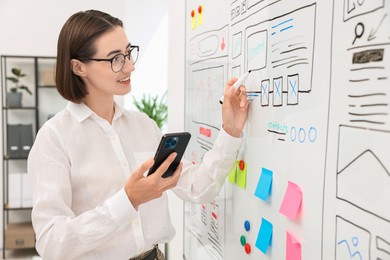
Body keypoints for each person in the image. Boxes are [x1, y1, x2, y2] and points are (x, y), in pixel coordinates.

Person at [28, 9, 248, 260]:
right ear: (79, 67)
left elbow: (198, 188)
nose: (130, 66)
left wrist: (231, 130)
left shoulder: (143, 126)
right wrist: (128, 200)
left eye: (129, 53)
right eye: (115, 59)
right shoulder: (54, 138)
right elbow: (51, 243)